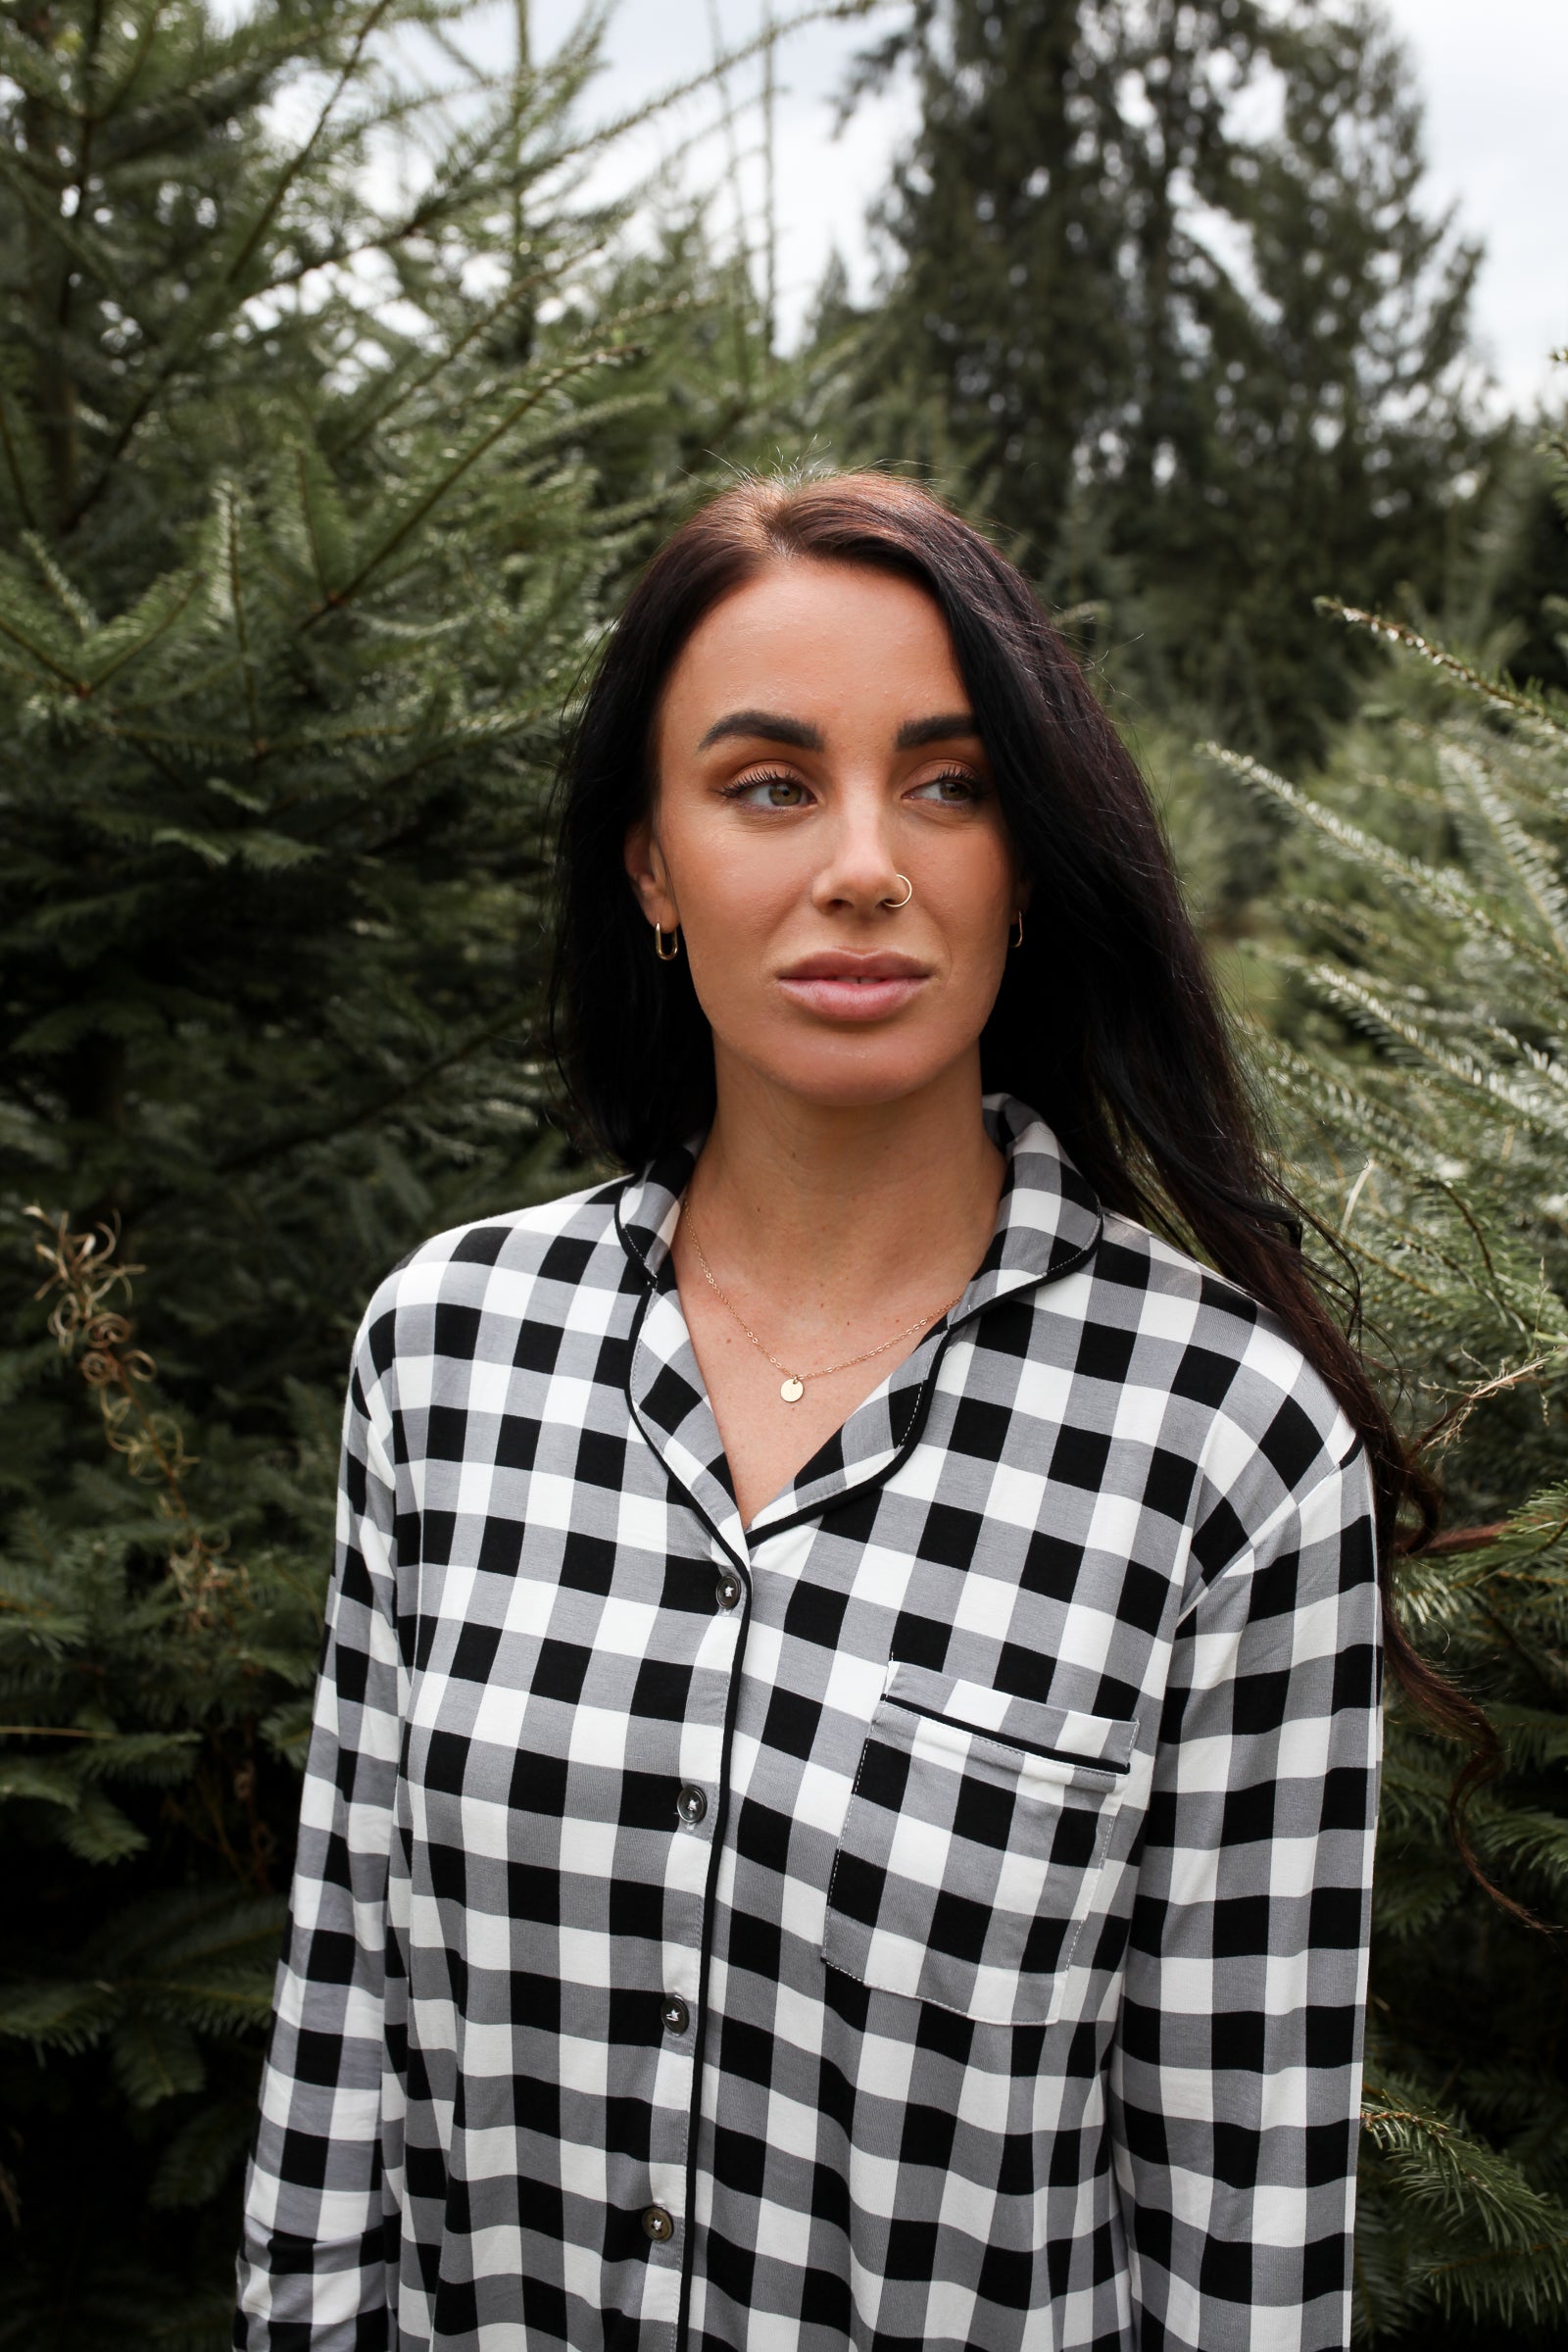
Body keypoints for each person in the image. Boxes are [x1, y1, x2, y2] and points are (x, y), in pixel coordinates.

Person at [235, 470, 1415, 2351]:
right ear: (650, 864)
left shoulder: (1222, 1443)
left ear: (1027, 859)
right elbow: (343, 2039)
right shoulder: (448, 1352)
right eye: (771, 785)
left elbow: (1245, 2217)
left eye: (948, 784)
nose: (866, 863)